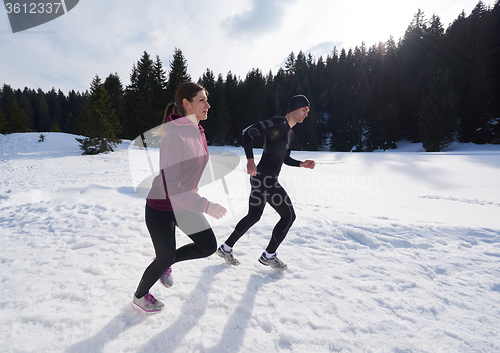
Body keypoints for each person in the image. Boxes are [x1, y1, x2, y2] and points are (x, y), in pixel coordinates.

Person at [132, 82, 227, 314]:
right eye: (202, 100)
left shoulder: (198, 132)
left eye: (207, 99)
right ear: (186, 103)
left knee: (207, 246)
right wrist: (205, 205)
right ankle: (140, 296)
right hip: (162, 206)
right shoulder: (175, 136)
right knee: (163, 257)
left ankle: (167, 261)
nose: (208, 105)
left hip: (184, 204)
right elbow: (172, 187)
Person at [217, 95, 315, 270]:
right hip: (265, 178)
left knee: (253, 215)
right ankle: (269, 255)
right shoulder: (278, 122)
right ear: (294, 108)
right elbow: (248, 133)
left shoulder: (290, 133)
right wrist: (249, 160)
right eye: (304, 110)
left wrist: (301, 164)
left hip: (262, 179)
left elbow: (284, 158)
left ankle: (226, 248)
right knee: (289, 216)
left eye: (308, 111)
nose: (306, 114)